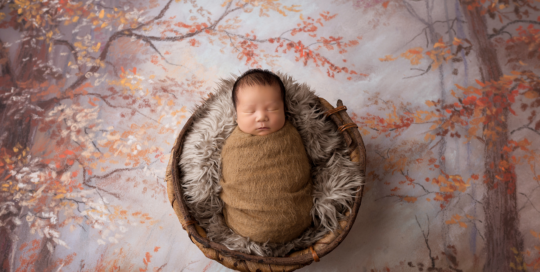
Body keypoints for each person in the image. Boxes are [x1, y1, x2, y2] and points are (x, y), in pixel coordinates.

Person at [219, 69, 313, 244]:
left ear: (285, 108)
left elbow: (303, 168)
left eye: (272, 109)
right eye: (249, 111)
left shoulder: (292, 135)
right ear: (236, 114)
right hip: (245, 223)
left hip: (296, 218)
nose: (262, 117)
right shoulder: (233, 144)